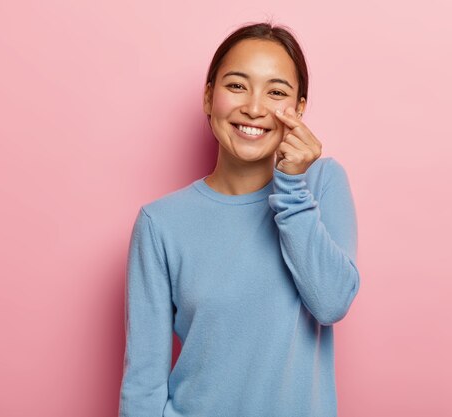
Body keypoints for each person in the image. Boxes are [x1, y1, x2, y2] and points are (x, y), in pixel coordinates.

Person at [118, 20, 361, 417]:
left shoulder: (321, 184)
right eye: (236, 86)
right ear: (209, 96)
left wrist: (292, 188)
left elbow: (331, 303)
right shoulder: (159, 224)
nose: (253, 107)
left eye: (277, 92)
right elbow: (142, 384)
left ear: (299, 110)